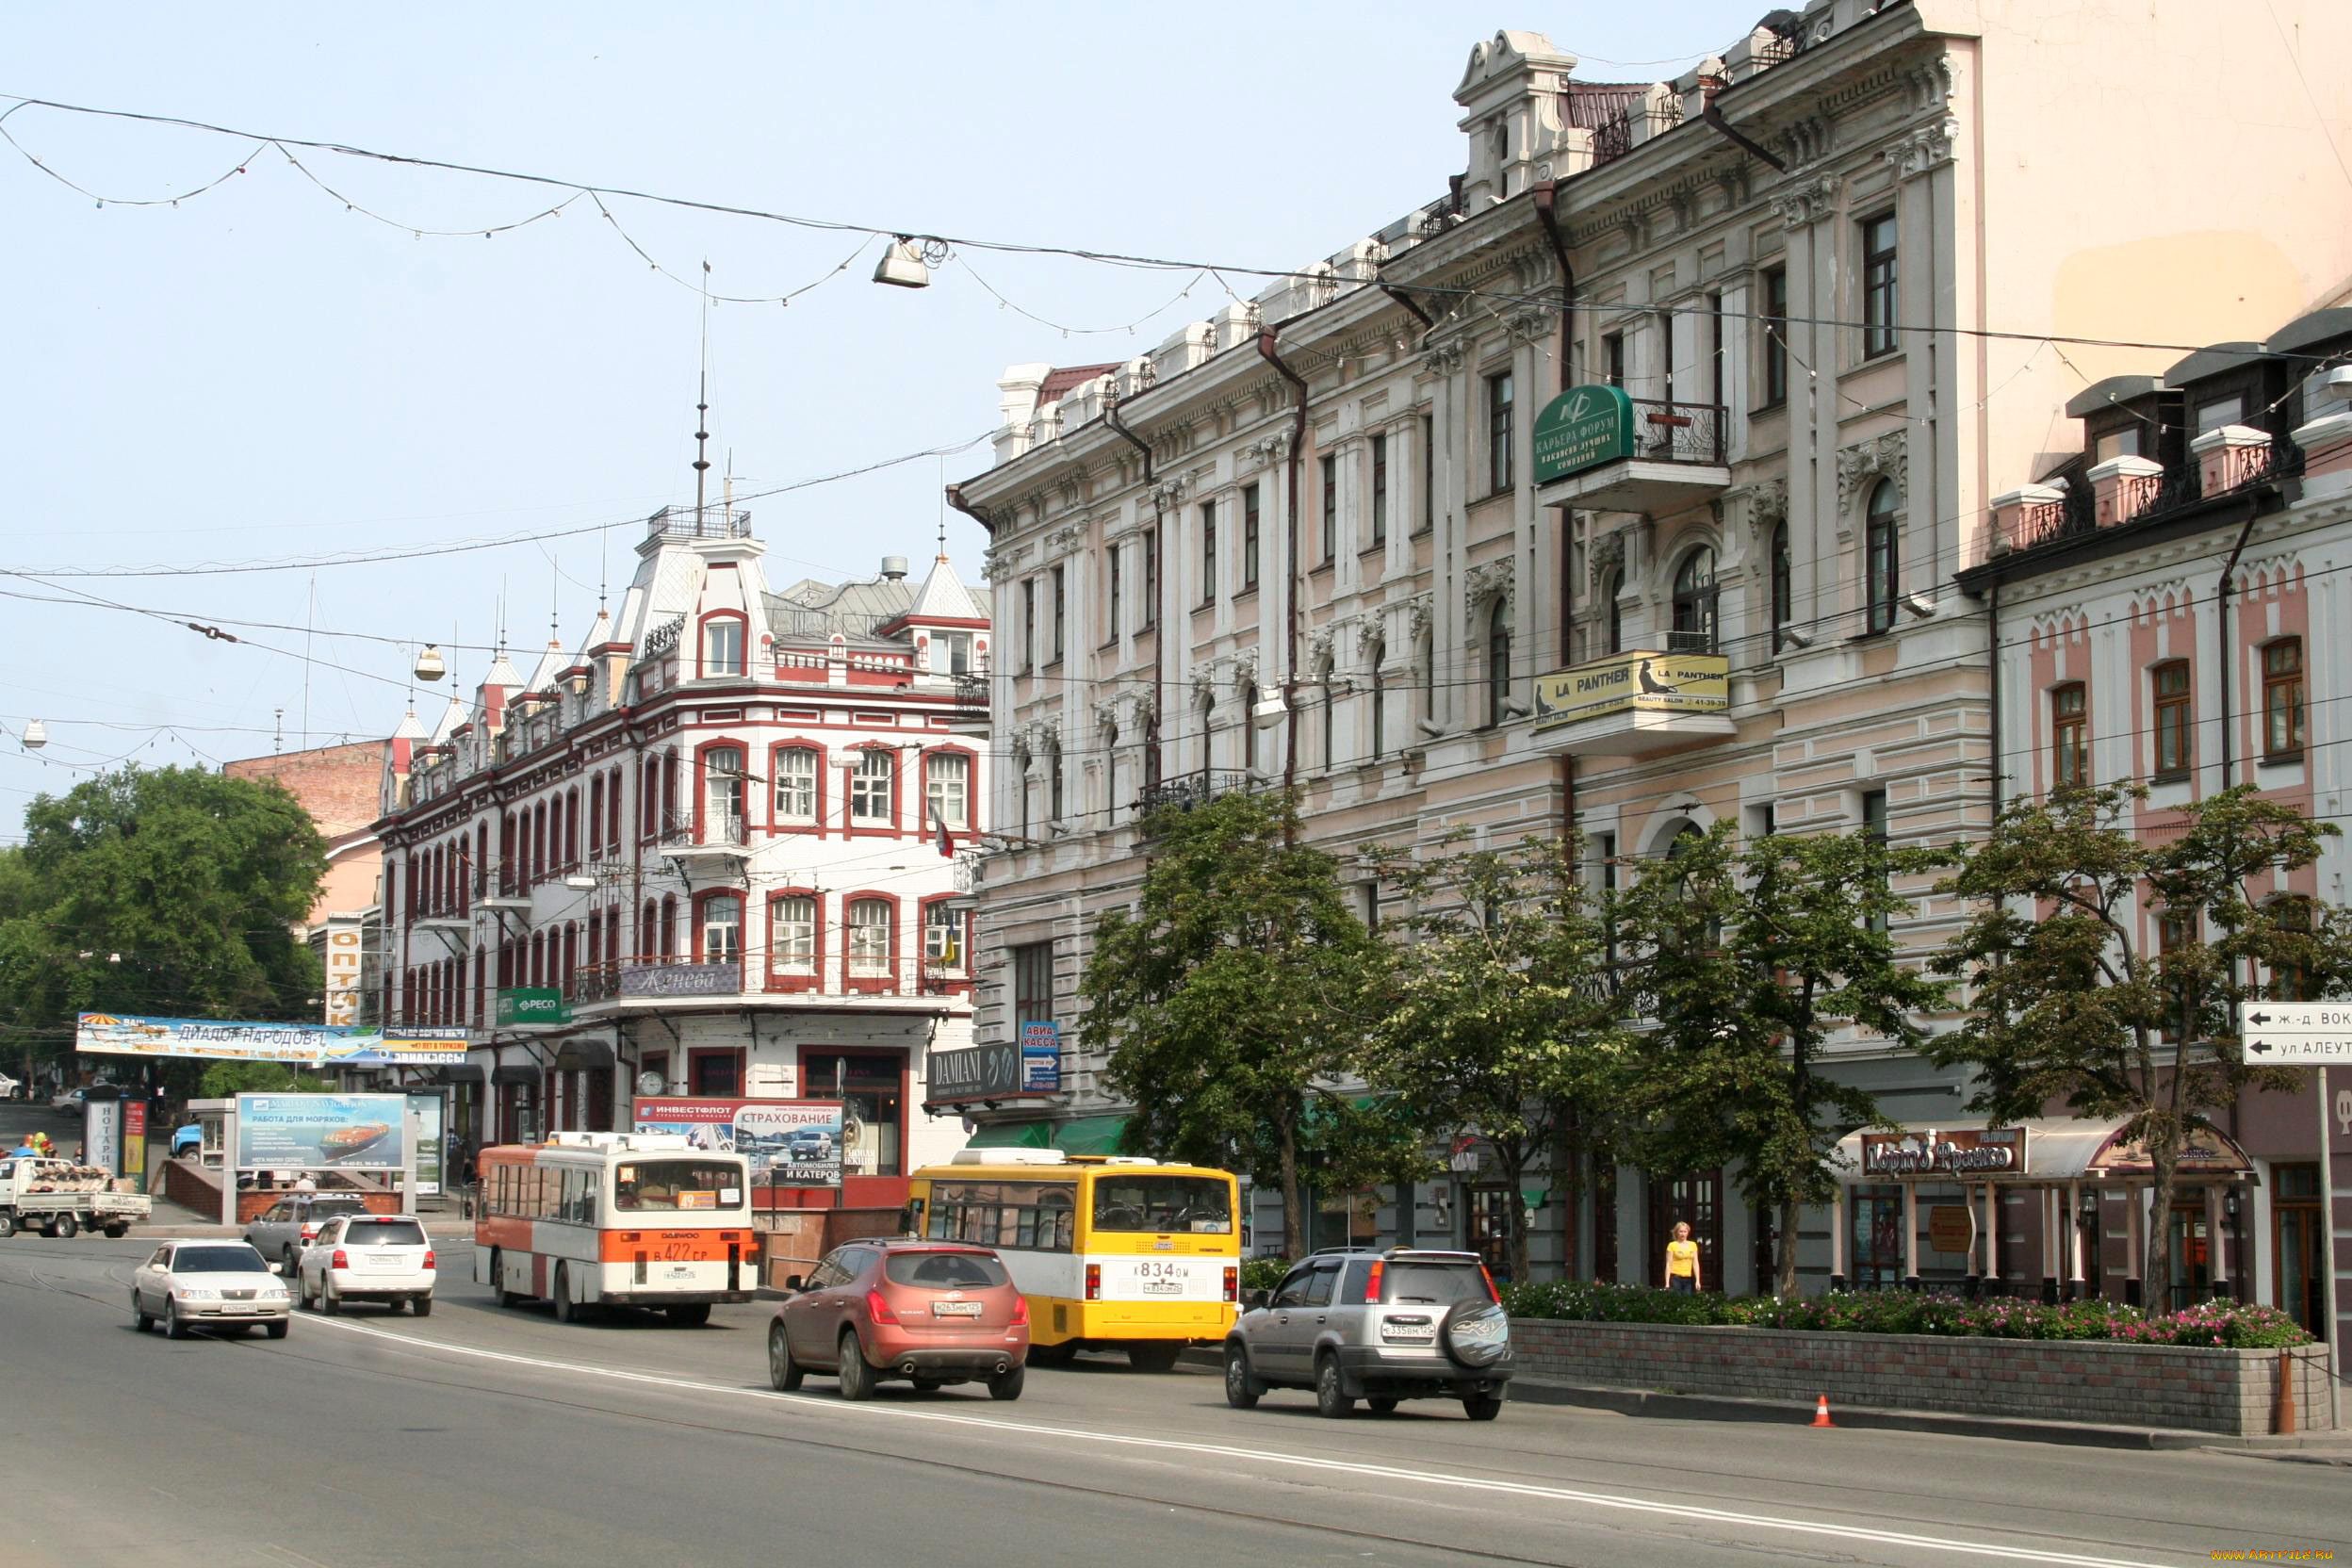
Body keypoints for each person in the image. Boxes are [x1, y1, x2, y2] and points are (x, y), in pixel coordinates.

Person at [1663, 1220, 1702, 1295]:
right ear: (1677, 1232)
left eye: (1685, 1231)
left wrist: (1698, 1280)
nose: (1683, 1234)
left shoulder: (1693, 1245)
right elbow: (1668, 1264)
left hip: (1688, 1278)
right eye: (1680, 1231)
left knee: (1687, 1299)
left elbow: (1695, 1263)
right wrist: (1667, 1283)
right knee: (1677, 1299)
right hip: (1676, 1278)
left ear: (1688, 1232)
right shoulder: (1672, 1245)